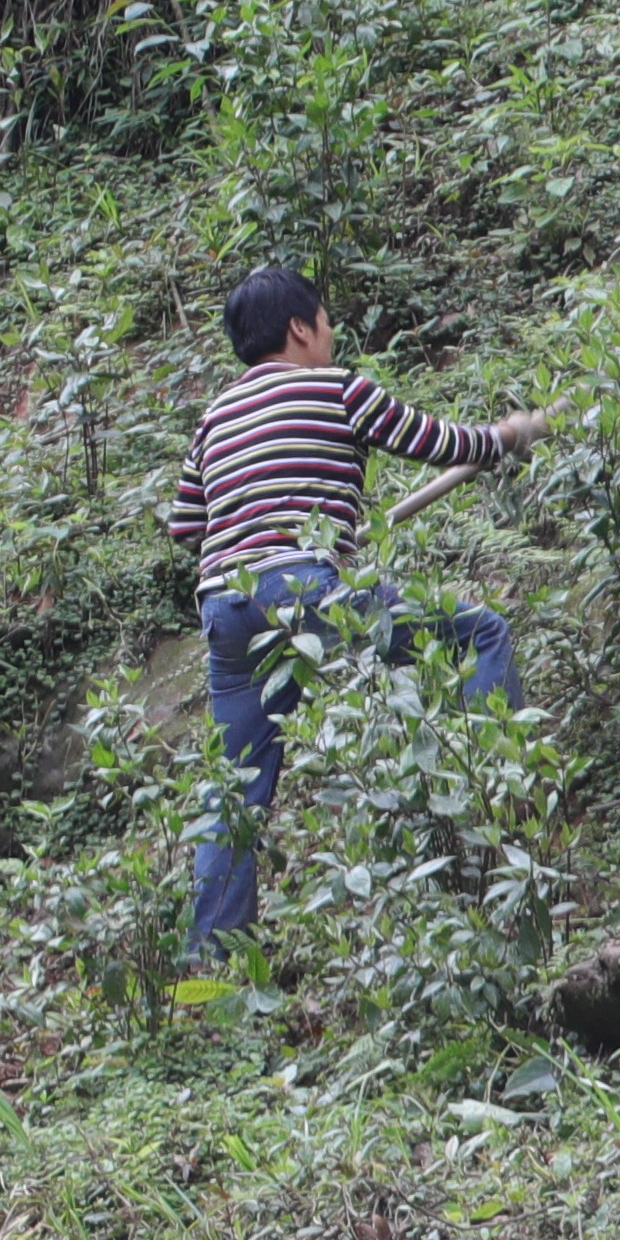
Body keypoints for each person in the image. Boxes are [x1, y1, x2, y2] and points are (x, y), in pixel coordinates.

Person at [168, 268, 552, 948]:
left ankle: (213, 958)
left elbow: (185, 527)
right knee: (483, 634)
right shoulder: (336, 388)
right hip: (302, 587)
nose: (331, 335)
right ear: (299, 329)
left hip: (226, 610)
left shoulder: (214, 418)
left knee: (234, 791)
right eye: (326, 322)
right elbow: (440, 443)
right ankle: (510, 807)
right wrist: (509, 436)